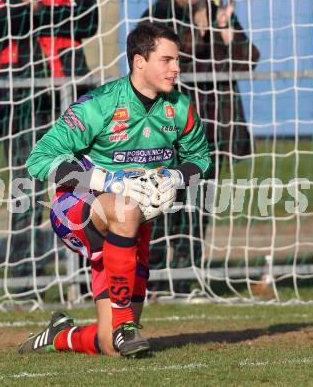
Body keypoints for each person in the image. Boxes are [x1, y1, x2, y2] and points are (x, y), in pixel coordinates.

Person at [17, 22, 211, 357]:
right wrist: (105, 181)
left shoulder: (179, 108)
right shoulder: (100, 105)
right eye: (167, 60)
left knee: (111, 347)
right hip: (78, 206)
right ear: (139, 61)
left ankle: (62, 334)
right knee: (125, 208)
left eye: (177, 60)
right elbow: (38, 159)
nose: (177, 68)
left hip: (132, 222)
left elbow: (200, 159)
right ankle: (124, 326)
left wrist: (173, 178)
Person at [0, 0, 98, 283]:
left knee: (85, 185)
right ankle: (26, 278)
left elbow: (88, 21)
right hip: (19, 99)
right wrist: (28, 10)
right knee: (25, 190)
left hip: (71, 90)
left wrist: (36, 13)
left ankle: (90, 276)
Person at [141, 0, 260, 279]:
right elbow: (168, 67)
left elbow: (248, 60)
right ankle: (153, 274)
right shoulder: (158, 14)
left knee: (196, 204)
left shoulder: (219, 13)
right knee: (158, 202)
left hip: (212, 127)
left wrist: (224, 29)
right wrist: (198, 30)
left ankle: (185, 274)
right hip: (166, 126)